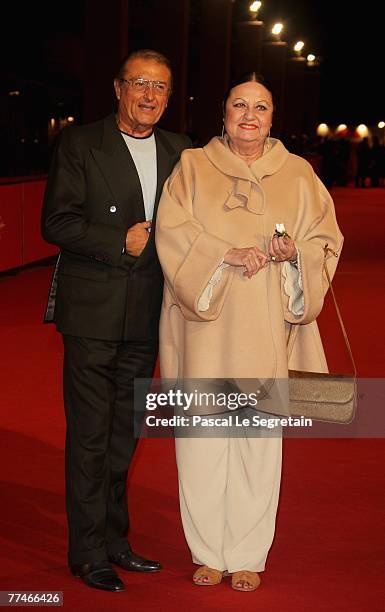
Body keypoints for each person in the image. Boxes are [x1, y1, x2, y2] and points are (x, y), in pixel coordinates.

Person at [155, 73, 343, 592]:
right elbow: (171, 234)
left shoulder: (300, 175)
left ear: (272, 119)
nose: (250, 115)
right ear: (224, 113)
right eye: (240, 104)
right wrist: (224, 253)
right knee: (202, 442)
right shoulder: (192, 168)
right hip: (204, 330)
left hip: (266, 329)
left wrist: (294, 256)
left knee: (258, 444)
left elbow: (325, 241)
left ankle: (247, 554)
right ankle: (208, 551)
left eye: (261, 107)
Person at [41, 49, 191, 592]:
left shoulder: (182, 151)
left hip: (150, 314)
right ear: (118, 88)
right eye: (140, 84)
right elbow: (55, 221)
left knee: (124, 434)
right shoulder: (82, 143)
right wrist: (115, 241)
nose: (150, 96)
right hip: (92, 312)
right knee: (89, 435)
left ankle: (115, 540)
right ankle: (86, 552)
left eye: (161, 87)